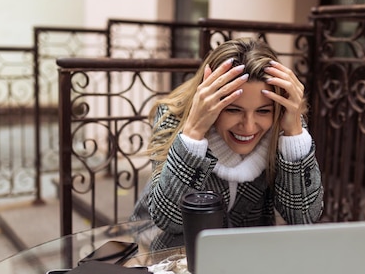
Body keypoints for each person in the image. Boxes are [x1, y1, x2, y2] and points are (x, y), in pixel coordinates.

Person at [132, 37, 323, 249]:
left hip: (245, 259)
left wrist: (294, 135)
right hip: (169, 255)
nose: (249, 127)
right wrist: (193, 134)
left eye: (263, 111)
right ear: (211, 100)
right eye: (233, 110)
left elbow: (304, 217)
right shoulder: (174, 120)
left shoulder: (286, 122)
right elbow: (169, 221)